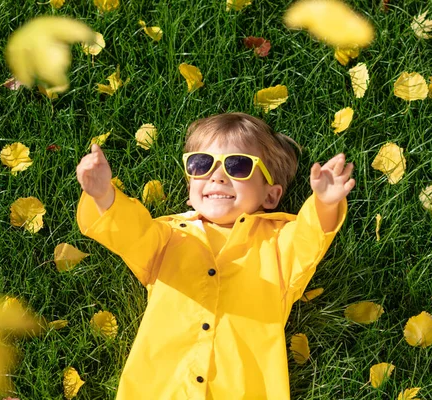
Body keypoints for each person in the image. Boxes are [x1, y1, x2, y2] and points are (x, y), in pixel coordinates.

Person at [75, 112, 355, 399]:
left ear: (270, 196)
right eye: (201, 164)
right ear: (190, 189)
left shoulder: (277, 244)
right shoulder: (168, 237)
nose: (218, 176)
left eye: (238, 165)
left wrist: (324, 203)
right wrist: (103, 195)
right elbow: (130, 232)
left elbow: (309, 238)